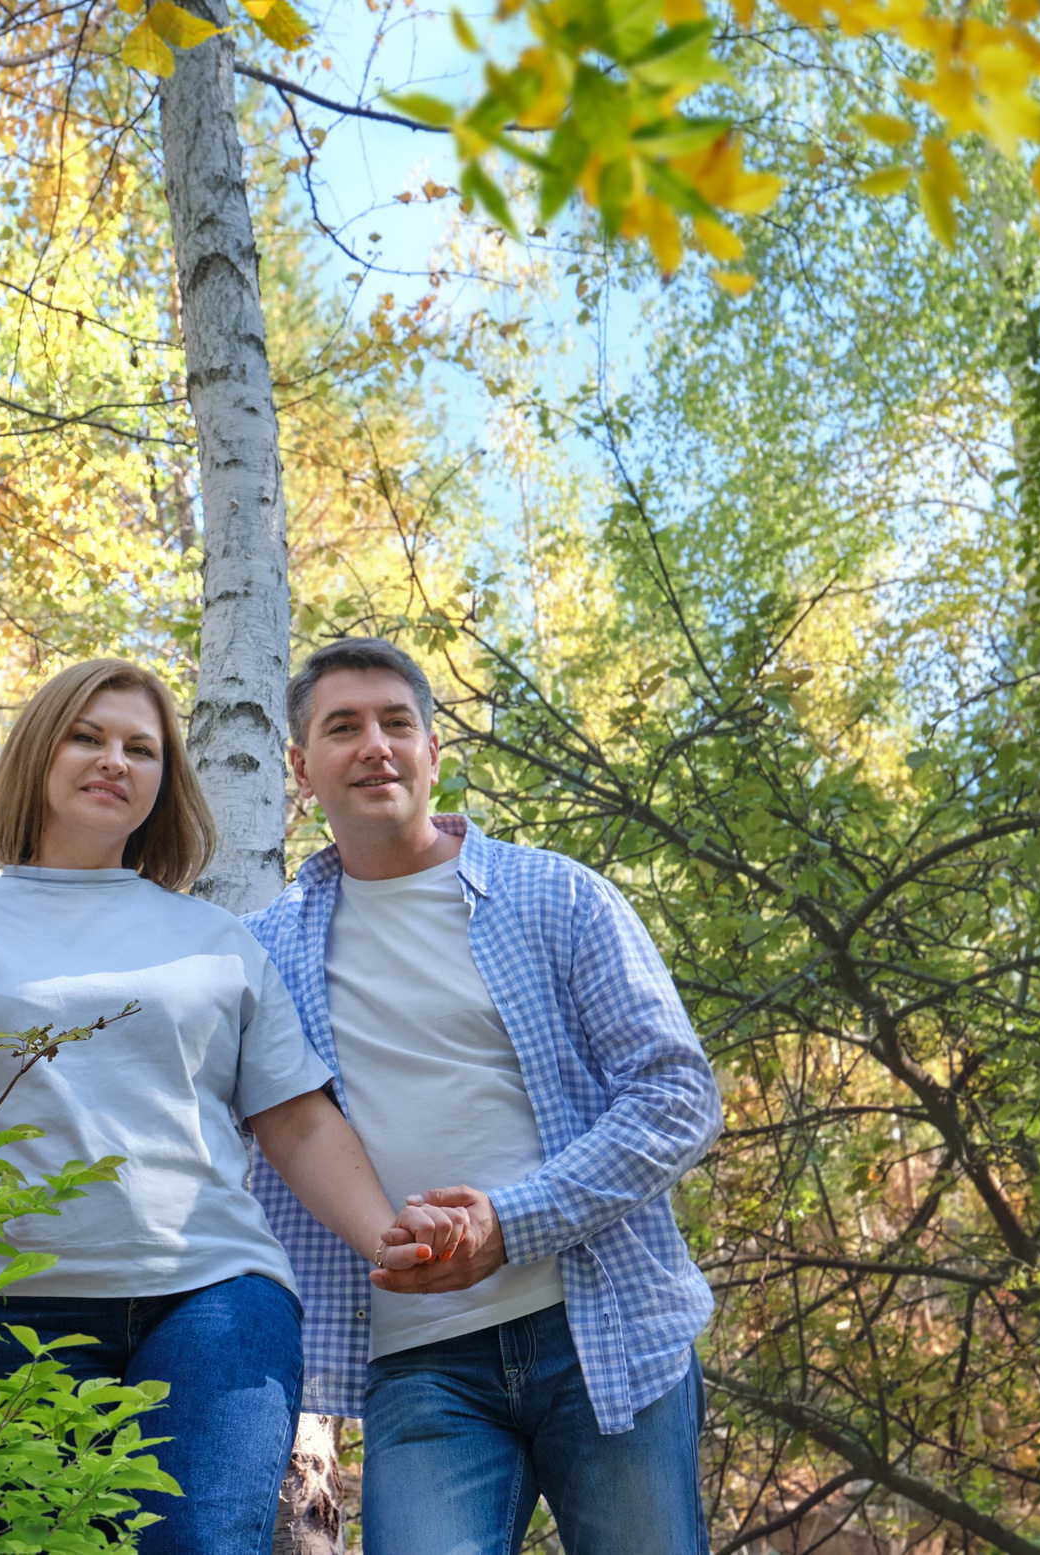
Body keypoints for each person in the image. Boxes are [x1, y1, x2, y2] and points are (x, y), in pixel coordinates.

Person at [0, 658, 462, 1555]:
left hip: (214, 1301)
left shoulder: (218, 939)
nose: (115, 761)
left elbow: (297, 1120)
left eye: (142, 748)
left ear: (164, 782)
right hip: (8, 1309)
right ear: (37, 754)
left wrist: (385, 1235)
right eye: (88, 736)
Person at [245, 637, 723, 1555]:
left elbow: (677, 1095)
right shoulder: (264, 951)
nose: (375, 744)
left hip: (605, 1329)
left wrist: (513, 1221)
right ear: (302, 768)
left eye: (398, 722)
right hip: (417, 1362)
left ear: (433, 751)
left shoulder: (556, 896)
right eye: (343, 727)